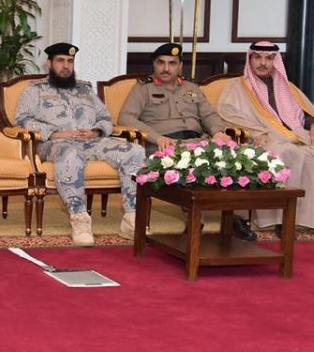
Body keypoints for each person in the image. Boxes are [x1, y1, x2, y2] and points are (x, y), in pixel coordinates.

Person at [119, 42, 254, 241]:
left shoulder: (191, 88)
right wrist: (157, 137)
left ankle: (233, 218)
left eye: (172, 63)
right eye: (161, 63)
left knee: (231, 159)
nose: (166, 68)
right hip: (165, 145)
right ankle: (195, 217)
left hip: (197, 141)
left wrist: (217, 132)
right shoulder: (143, 88)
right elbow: (126, 117)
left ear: (180, 66)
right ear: (154, 65)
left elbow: (209, 115)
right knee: (193, 165)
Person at [15, 43, 145, 246]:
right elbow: (22, 120)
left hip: (91, 142)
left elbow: (105, 118)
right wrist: (57, 133)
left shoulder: (85, 89)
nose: (66, 66)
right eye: (60, 61)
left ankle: (132, 218)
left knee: (134, 151)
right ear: (49, 63)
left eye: (70, 61)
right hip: (56, 144)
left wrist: (96, 131)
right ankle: (80, 220)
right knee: (70, 154)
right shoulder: (35, 90)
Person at [218, 41, 314, 231]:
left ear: (275, 61)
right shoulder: (236, 87)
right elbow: (226, 114)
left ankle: (303, 219)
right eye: (258, 57)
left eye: (269, 58)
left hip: (297, 137)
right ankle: (279, 220)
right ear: (250, 59)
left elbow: (304, 113)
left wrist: (312, 124)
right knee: (286, 153)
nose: (263, 63)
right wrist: (256, 132)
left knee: (307, 154)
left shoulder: (287, 87)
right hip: (262, 139)